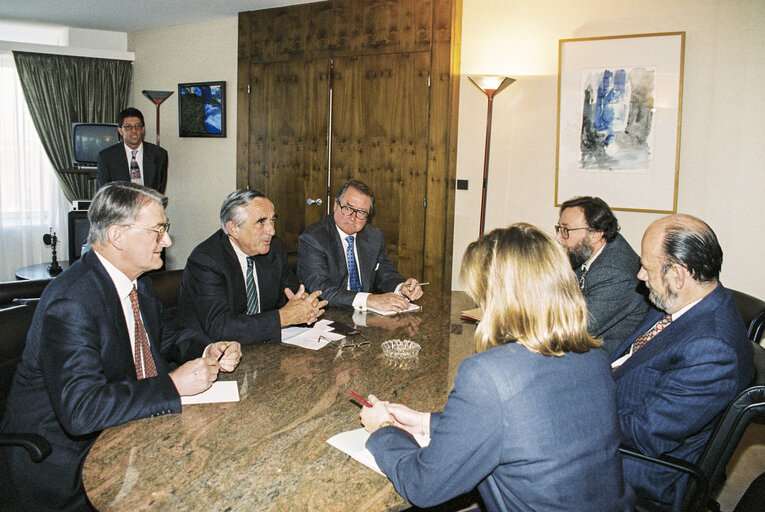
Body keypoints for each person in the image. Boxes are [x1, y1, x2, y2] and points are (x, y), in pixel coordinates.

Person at [359, 223, 635, 511]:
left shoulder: (487, 374)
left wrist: (384, 429)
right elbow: (520, 425)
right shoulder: (594, 356)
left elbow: (424, 486)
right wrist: (425, 421)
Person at [0, 183, 241, 511]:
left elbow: (164, 335)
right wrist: (172, 385)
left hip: (127, 431)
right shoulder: (72, 300)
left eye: (165, 230)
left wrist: (208, 348)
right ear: (116, 235)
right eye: (158, 230)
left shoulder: (136, 282)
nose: (167, 241)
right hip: (67, 461)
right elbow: (81, 411)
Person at [610, 214, 755, 510]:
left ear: (678, 274)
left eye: (646, 267)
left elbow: (644, 434)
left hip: (643, 469)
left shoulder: (711, 350)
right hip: (619, 406)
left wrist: (576, 412)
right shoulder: (683, 302)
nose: (640, 275)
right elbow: (626, 357)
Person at [177, 189, 326, 344]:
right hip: (212, 352)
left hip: (261, 345)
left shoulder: (274, 249)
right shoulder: (206, 261)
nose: (272, 230)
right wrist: (283, 317)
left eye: (272, 220)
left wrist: (305, 308)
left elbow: (290, 298)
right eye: (261, 222)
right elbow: (220, 327)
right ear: (233, 228)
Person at [297, 180, 422, 312]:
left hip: (365, 316)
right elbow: (321, 290)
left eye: (361, 212)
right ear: (335, 205)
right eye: (348, 208)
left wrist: (402, 287)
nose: (353, 218)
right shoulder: (313, 238)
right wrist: (369, 300)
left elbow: (386, 274)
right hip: (327, 316)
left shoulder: (374, 236)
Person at [556, 196, 650, 354]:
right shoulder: (586, 253)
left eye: (566, 230)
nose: (559, 237)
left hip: (602, 361)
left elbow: (572, 330)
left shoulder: (615, 273)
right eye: (559, 228)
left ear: (596, 234)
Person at [97, 107, 168, 194]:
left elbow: (159, 193)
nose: (134, 131)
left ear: (143, 129)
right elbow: (105, 193)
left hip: (148, 206)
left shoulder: (159, 155)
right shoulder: (107, 157)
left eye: (137, 126)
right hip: (120, 206)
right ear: (120, 130)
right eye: (128, 127)